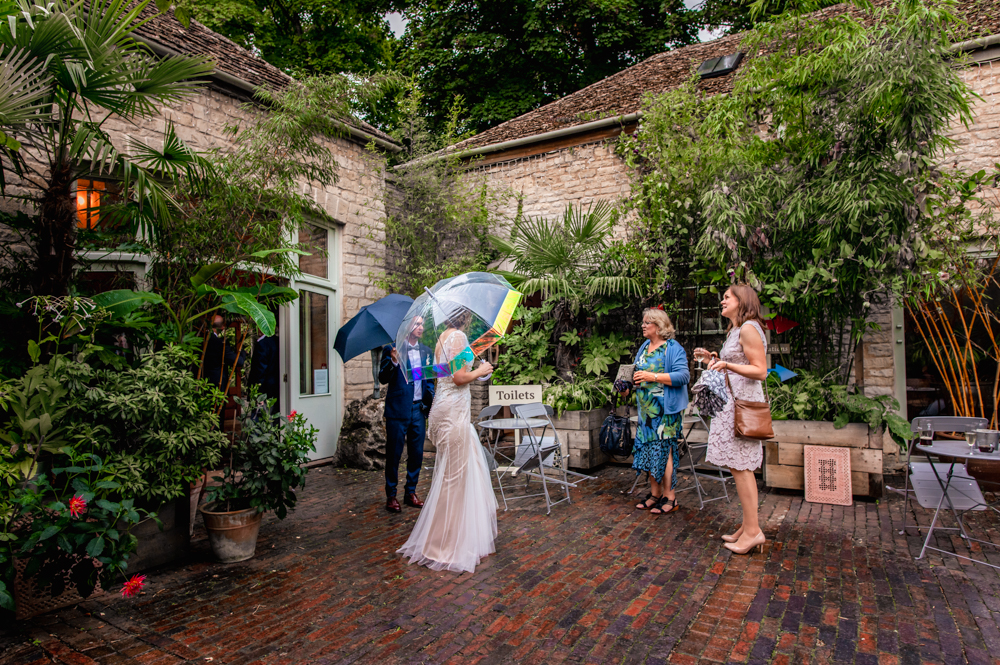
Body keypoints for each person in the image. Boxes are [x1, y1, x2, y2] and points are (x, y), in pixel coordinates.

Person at [397, 309, 497, 573]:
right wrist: (482, 370)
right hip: (454, 415)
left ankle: (446, 537)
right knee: (456, 478)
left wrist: (475, 370)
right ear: (464, 316)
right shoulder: (460, 337)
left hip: (442, 411)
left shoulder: (442, 338)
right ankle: (447, 544)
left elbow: (446, 372)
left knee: (451, 475)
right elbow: (458, 378)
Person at [697, 285, 769, 555]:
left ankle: (753, 532)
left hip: (743, 407)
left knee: (742, 468)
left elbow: (760, 370)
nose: (722, 300)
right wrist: (713, 359)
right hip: (733, 404)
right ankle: (748, 525)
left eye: (727, 297)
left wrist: (726, 364)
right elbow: (738, 362)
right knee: (738, 468)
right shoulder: (737, 330)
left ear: (742, 301)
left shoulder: (749, 327)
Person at [629, 308, 690, 515]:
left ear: (659, 325)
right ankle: (655, 494)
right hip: (646, 410)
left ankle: (670, 497)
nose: (643, 325)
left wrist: (652, 376)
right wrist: (628, 383)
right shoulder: (645, 346)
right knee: (648, 450)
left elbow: (683, 376)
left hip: (667, 410)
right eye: (643, 322)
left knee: (664, 452)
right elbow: (636, 373)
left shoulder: (672, 348)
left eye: (647, 322)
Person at [379, 316, 436, 513]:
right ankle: (391, 495)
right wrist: (393, 363)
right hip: (397, 409)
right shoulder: (392, 349)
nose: (421, 327)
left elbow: (428, 379)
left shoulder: (426, 351)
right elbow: (383, 378)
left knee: (417, 453)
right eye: (417, 324)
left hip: (418, 409)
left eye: (422, 324)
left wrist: (430, 399)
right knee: (394, 454)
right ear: (408, 327)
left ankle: (410, 492)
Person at [248, 319, 280, 413]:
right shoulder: (278, 341)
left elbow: (260, 370)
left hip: (265, 387)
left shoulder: (263, 344)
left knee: (261, 415)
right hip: (275, 386)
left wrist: (259, 393)